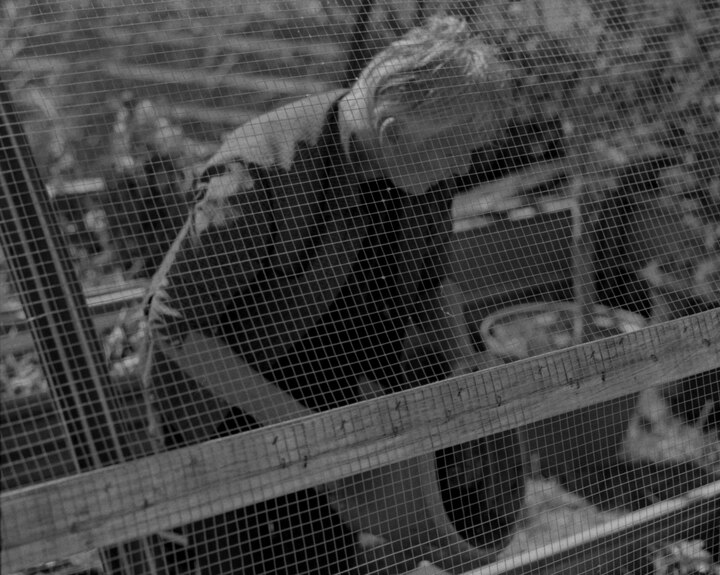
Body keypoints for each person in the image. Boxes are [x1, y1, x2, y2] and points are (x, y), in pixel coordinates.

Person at [144, 16, 512, 574]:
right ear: (391, 132)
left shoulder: (420, 174)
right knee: (234, 561)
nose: (464, 168)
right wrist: (308, 434)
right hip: (232, 417)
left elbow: (436, 284)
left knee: (333, 560)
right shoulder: (262, 171)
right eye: (458, 150)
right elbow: (172, 325)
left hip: (336, 404)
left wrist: (462, 361)